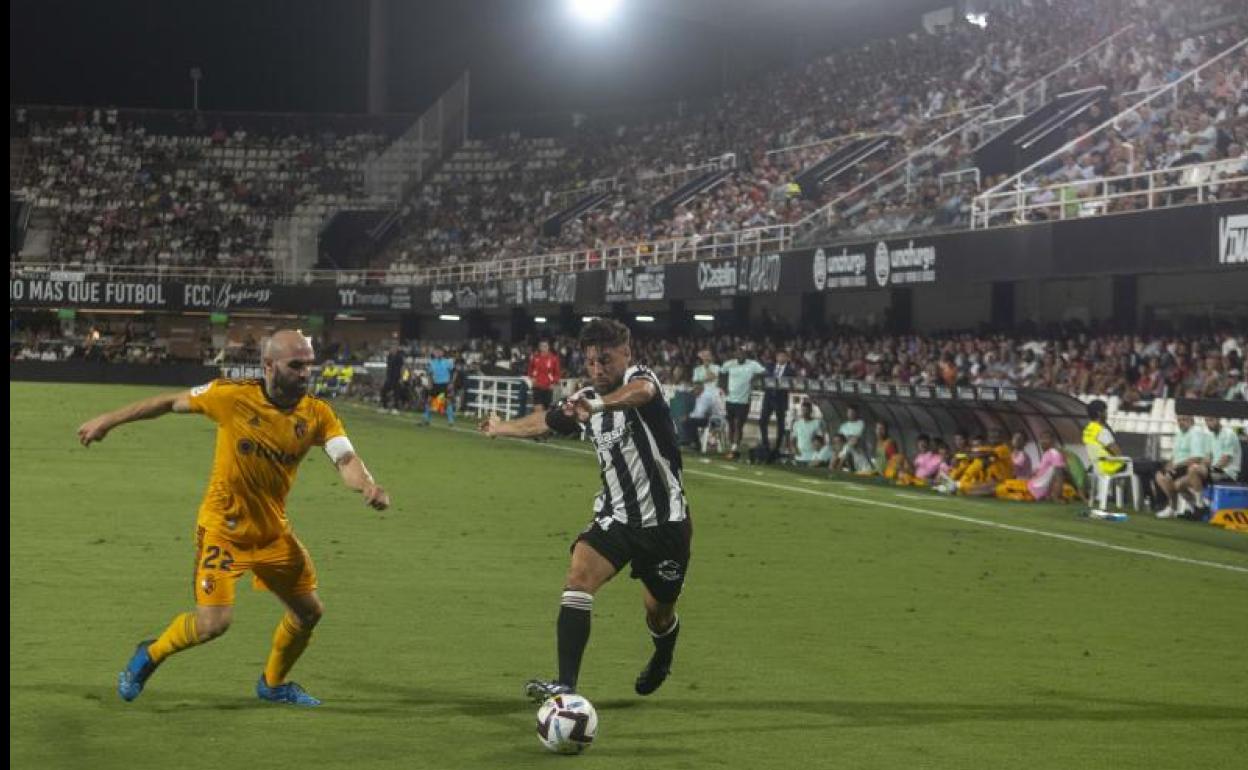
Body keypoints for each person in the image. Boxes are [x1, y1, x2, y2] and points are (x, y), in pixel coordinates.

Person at [76, 330, 391, 707]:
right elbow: (168, 402)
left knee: (309, 612)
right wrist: (108, 421)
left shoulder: (318, 414)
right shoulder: (230, 396)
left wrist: (368, 486)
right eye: (296, 365)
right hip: (223, 531)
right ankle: (151, 653)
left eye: (309, 364)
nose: (306, 372)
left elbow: (345, 459)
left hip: (273, 534)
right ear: (269, 365)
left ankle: (273, 684)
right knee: (213, 625)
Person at [480, 319, 692, 701]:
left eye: (605, 361)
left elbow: (641, 392)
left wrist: (599, 402)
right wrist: (502, 428)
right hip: (616, 519)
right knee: (578, 577)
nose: (597, 370)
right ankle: (566, 686)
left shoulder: (642, 381)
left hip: (666, 525)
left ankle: (663, 654)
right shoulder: (586, 397)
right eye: (591, 362)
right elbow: (545, 422)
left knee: (659, 612)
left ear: (626, 352)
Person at [1154, 415, 1211, 518]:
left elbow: (1196, 458)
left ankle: (1185, 506)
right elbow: (1174, 456)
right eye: (1179, 420)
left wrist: (1175, 467)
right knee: (1159, 475)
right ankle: (1173, 507)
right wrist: (1169, 466)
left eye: (1184, 420)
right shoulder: (1179, 434)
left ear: (1191, 421)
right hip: (1179, 466)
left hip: (1190, 466)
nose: (1181, 422)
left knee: (1170, 479)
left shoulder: (1195, 433)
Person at [721, 345, 766, 459]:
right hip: (730, 399)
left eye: (743, 353)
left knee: (738, 425)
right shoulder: (729, 364)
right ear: (736, 354)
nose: (740, 355)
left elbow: (764, 371)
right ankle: (732, 446)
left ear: (746, 354)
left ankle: (735, 448)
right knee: (731, 424)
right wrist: (723, 387)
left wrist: (755, 378)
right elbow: (722, 373)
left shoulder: (752, 364)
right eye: (738, 353)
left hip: (744, 400)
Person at [758, 350, 793, 462]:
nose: (781, 358)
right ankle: (765, 444)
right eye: (779, 355)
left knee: (780, 425)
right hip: (768, 398)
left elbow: (793, 384)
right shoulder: (769, 366)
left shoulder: (791, 370)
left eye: (783, 356)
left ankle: (777, 448)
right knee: (762, 421)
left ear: (787, 358)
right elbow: (762, 377)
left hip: (781, 399)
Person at [528, 339, 562, 414]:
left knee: (546, 411)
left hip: (548, 387)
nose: (543, 348)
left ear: (548, 347)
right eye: (542, 346)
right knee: (538, 410)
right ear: (539, 347)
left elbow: (557, 373)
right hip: (537, 386)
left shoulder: (554, 358)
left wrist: (554, 383)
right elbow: (530, 370)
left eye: (545, 346)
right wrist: (532, 378)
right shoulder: (535, 357)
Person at [424, 347, 455, 425]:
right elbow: (429, 374)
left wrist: (451, 383)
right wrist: (429, 383)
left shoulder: (448, 362)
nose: (438, 353)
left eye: (440, 352)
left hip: (445, 384)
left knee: (447, 402)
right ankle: (427, 420)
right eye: (436, 352)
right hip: (435, 384)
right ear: (434, 353)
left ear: (443, 353)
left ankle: (451, 421)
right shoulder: (432, 363)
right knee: (429, 401)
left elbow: (453, 373)